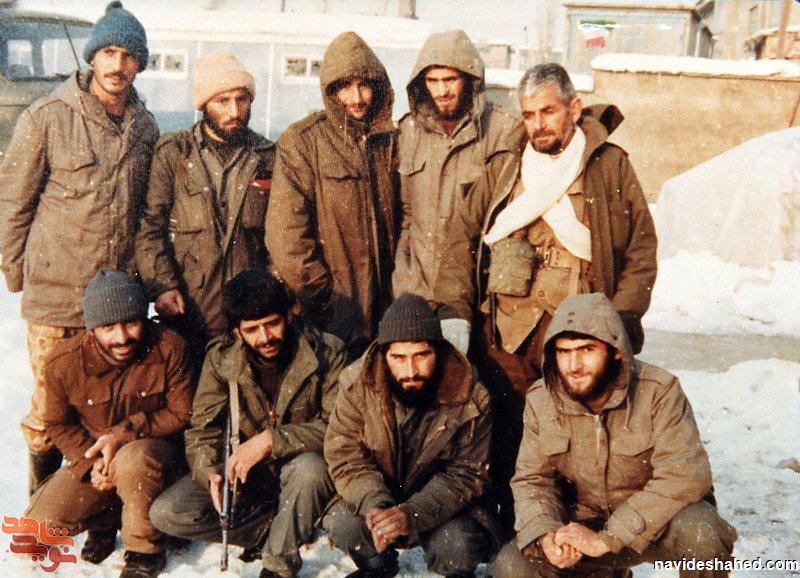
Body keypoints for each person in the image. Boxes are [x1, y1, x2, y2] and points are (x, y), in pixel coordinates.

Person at [435, 62, 657, 529]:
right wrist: (455, 313)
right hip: (507, 334)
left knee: (574, 437)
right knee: (507, 433)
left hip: (579, 332)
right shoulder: (504, 165)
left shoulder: (609, 165)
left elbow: (640, 250)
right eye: (529, 114)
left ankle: (576, 530)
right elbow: (461, 241)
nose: (538, 124)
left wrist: (620, 319)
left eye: (548, 111)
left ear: (574, 109)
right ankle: (509, 530)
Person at [0, 0, 159, 495]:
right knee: (49, 410)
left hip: (114, 303)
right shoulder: (47, 117)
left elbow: (146, 214)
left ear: (139, 64)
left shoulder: (145, 128)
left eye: (128, 56)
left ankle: (93, 508)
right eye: (108, 53)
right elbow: (14, 202)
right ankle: (43, 505)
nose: (117, 65)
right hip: (58, 295)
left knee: (104, 409)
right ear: (92, 57)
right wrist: (16, 273)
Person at [492, 293, 737, 578]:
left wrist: (607, 539)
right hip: (584, 523)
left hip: (652, 522)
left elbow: (684, 475)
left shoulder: (659, 390)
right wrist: (545, 534)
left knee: (702, 531)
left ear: (616, 350)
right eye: (564, 352)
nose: (574, 365)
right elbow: (533, 480)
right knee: (511, 567)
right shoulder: (541, 399)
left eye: (586, 350)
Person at [150, 270, 347, 578]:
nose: (265, 337)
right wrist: (209, 473)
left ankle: (278, 565)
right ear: (237, 332)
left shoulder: (327, 352)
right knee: (167, 512)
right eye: (252, 329)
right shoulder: (221, 358)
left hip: (302, 467)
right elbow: (203, 428)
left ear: (289, 316)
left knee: (310, 469)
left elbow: (338, 428)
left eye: (273, 323)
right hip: (249, 476)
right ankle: (277, 528)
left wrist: (271, 440)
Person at [26, 269, 192, 578]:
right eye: (108, 327)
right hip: (98, 459)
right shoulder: (63, 363)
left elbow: (182, 413)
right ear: (91, 329)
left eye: (131, 322)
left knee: (132, 460)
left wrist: (127, 432)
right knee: (35, 530)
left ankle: (144, 549)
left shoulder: (169, 347)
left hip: (155, 457)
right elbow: (58, 424)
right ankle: (106, 518)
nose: (122, 337)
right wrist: (90, 463)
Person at [323, 293, 500, 578]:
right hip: (380, 496)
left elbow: (468, 473)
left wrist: (411, 514)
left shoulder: (471, 394)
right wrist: (376, 504)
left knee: (456, 545)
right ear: (384, 355)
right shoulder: (356, 383)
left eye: (421, 355)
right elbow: (344, 454)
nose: (411, 371)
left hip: (442, 508)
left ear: (437, 352)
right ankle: (378, 565)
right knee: (343, 523)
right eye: (399, 358)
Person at [266, 31, 399, 359]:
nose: (357, 98)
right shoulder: (304, 141)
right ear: (330, 90)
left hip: (387, 315)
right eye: (345, 87)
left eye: (364, 85)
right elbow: (287, 237)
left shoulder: (392, 142)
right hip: (330, 316)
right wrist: (327, 302)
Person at [137, 53, 274, 363]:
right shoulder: (173, 154)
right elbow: (150, 229)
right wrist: (163, 287)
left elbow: (280, 237)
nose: (234, 111)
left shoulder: (267, 157)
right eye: (222, 101)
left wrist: (269, 296)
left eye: (242, 100)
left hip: (248, 321)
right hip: (189, 314)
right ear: (203, 104)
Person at [392, 30, 519, 354]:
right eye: (432, 81)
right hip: (416, 291)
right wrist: (404, 279)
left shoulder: (502, 131)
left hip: (475, 295)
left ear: (470, 79)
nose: (442, 90)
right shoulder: (408, 132)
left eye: (450, 79)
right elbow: (406, 215)